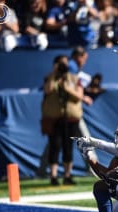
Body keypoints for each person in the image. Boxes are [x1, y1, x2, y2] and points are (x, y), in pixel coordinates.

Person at [41, 55, 83, 186]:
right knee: (55, 146)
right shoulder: (49, 78)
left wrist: (67, 88)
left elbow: (80, 96)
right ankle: (53, 176)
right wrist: (54, 73)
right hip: (54, 118)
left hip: (70, 118)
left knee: (68, 147)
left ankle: (67, 175)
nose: (63, 66)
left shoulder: (74, 78)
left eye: (65, 63)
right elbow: (48, 90)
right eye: (60, 64)